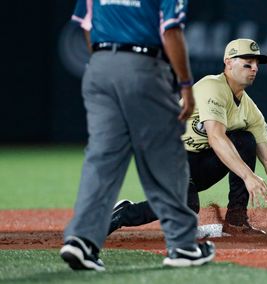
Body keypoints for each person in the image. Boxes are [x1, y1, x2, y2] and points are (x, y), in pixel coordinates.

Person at [60, 0, 215, 271]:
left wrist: (105, 63)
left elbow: (86, 26)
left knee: (101, 159)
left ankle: (82, 239)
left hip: (99, 66)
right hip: (143, 67)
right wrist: (186, 85)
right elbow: (171, 31)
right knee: (166, 158)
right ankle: (183, 245)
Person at [109, 38, 267, 236]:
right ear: (228, 62)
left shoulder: (251, 111)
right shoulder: (211, 86)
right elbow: (215, 137)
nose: (254, 68)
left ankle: (236, 220)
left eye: (257, 64)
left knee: (244, 139)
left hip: (196, 165)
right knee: (187, 206)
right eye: (247, 62)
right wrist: (248, 176)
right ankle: (123, 214)